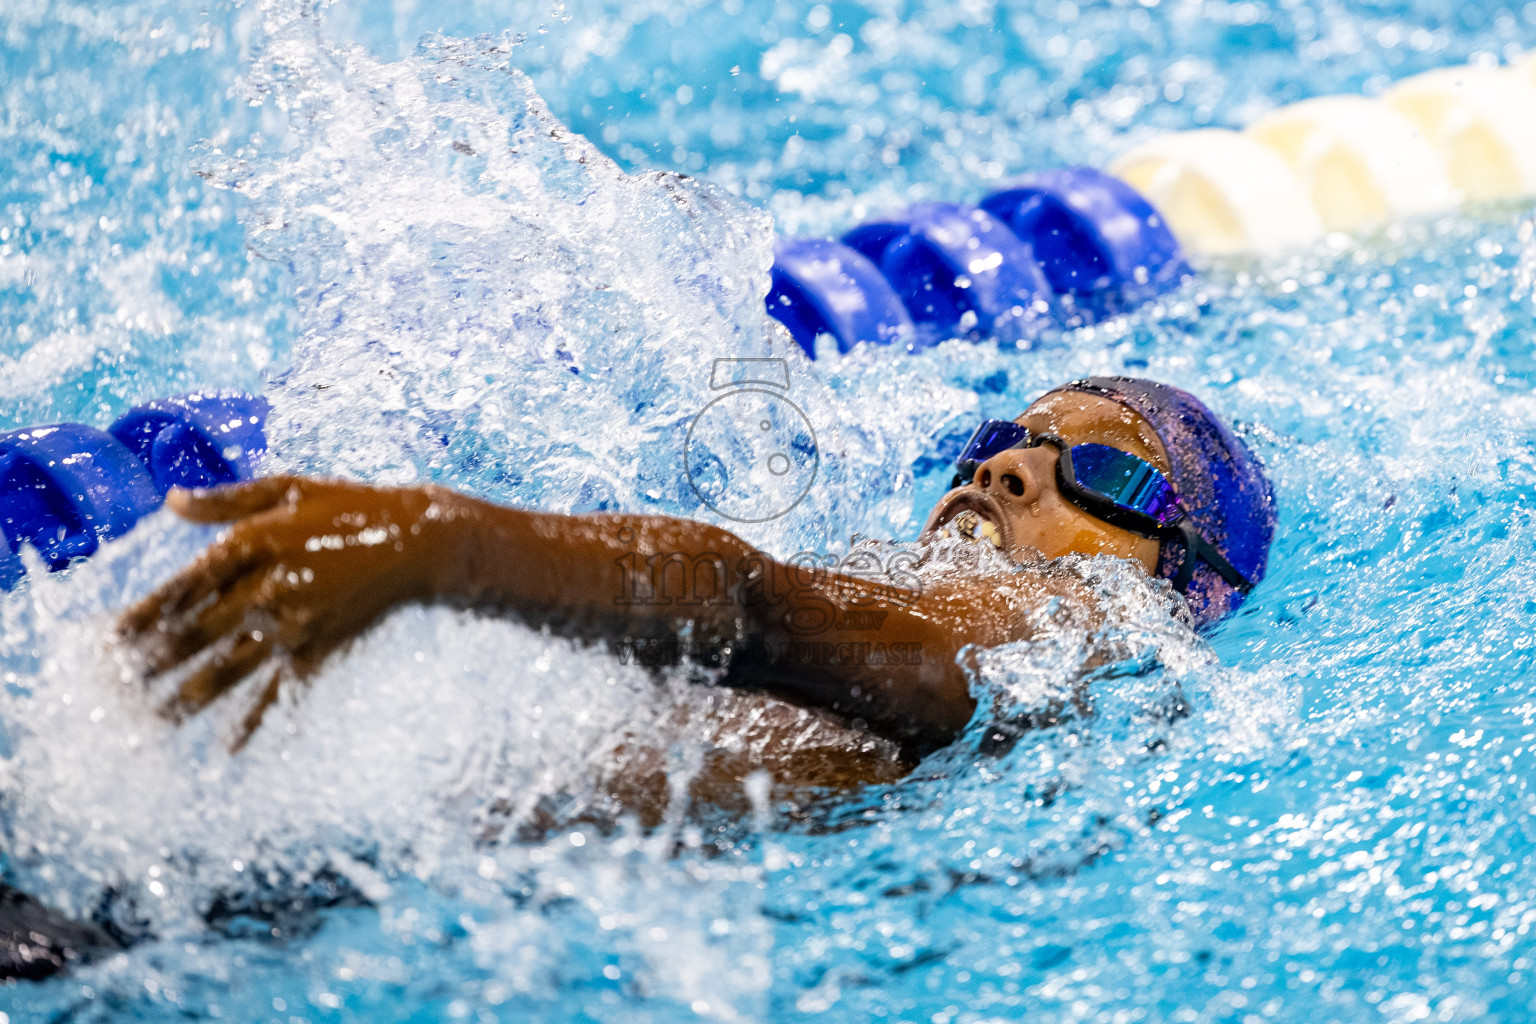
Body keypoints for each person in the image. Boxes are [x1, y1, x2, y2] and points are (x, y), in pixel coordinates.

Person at [116, 375, 1276, 825]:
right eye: (1003, 438)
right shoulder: (906, 567)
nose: (1007, 466)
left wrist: (451, 544)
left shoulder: (1079, 619)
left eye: (1104, 471)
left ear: (1178, 578)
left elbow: (753, 612)